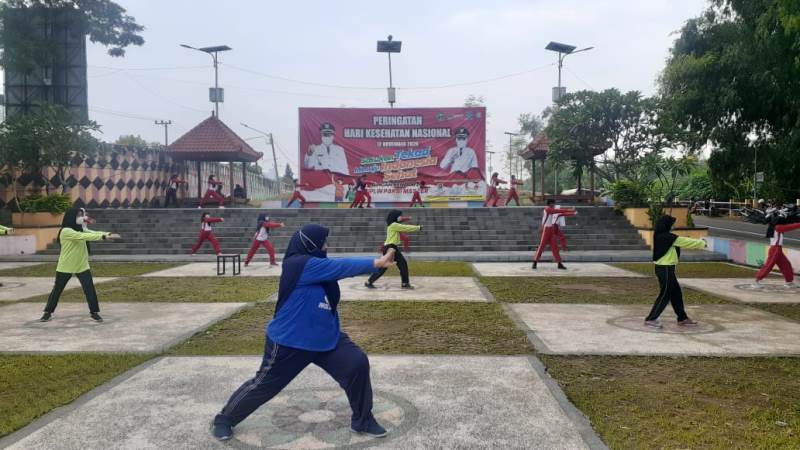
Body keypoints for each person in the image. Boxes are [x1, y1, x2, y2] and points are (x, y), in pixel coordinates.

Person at [211, 224, 396, 441]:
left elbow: (335, 271)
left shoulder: (316, 265)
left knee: (356, 363)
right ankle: (224, 419)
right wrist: (377, 262)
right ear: (310, 244)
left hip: (325, 337)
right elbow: (340, 266)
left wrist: (376, 264)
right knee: (263, 386)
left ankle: (363, 420)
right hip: (291, 341)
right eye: (323, 242)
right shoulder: (298, 264)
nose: (327, 246)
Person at [39, 209, 120, 322]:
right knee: (57, 290)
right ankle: (47, 312)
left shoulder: (81, 229)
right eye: (78, 215)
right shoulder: (65, 231)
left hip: (81, 265)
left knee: (89, 289)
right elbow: (82, 236)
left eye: (82, 215)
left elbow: (91, 233)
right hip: (65, 266)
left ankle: (94, 312)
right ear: (71, 217)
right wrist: (103, 237)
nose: (81, 217)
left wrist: (107, 234)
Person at [645, 215, 707, 328]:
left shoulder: (661, 235)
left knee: (676, 293)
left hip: (666, 269)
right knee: (665, 294)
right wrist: (702, 243)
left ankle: (682, 318)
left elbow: (679, 241)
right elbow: (684, 241)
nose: (673, 226)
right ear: (667, 225)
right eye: (672, 224)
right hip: (665, 269)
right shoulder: (667, 237)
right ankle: (651, 319)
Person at [365, 210, 422, 289]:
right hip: (390, 247)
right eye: (399, 216)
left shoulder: (392, 225)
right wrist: (418, 228)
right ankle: (405, 283)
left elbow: (401, 222)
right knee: (401, 264)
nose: (400, 217)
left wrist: (406, 218)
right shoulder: (394, 225)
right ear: (395, 217)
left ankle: (369, 281)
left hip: (390, 247)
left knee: (388, 266)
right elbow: (405, 228)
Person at [752, 208, 800, 289]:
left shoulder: (773, 226)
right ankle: (757, 281)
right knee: (768, 265)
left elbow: (789, 224)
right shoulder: (778, 227)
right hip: (775, 249)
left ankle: (789, 282)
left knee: (786, 265)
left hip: (777, 249)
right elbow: (791, 226)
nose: (784, 219)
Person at [532, 200, 576, 270]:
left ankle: (559, 264)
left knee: (555, 247)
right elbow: (557, 211)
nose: (554, 205)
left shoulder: (550, 209)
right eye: (553, 203)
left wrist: (572, 212)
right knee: (541, 246)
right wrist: (569, 209)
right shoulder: (547, 209)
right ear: (550, 204)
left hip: (551, 229)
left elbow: (560, 212)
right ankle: (535, 262)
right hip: (546, 229)